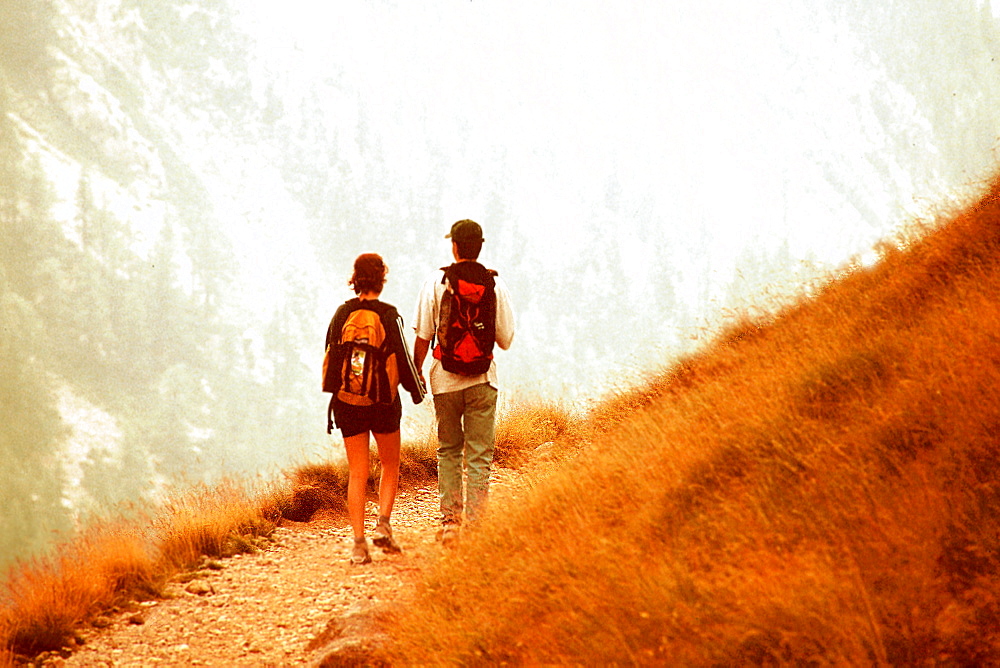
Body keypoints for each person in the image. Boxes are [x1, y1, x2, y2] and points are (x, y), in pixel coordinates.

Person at [412, 220, 515, 544]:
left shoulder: (437, 282)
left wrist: (416, 373)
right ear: (480, 246)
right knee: (480, 454)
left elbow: (423, 335)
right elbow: (506, 339)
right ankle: (476, 525)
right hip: (483, 380)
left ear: (454, 247)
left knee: (449, 450)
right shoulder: (494, 285)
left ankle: (450, 525)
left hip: (445, 379)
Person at [325, 253, 424, 565]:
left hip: (347, 402)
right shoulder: (388, 314)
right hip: (382, 402)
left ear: (356, 278)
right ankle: (383, 523)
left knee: (358, 471)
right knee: (390, 464)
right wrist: (417, 391)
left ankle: (358, 545)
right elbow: (404, 361)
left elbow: (330, 353)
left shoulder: (342, 313)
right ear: (382, 278)